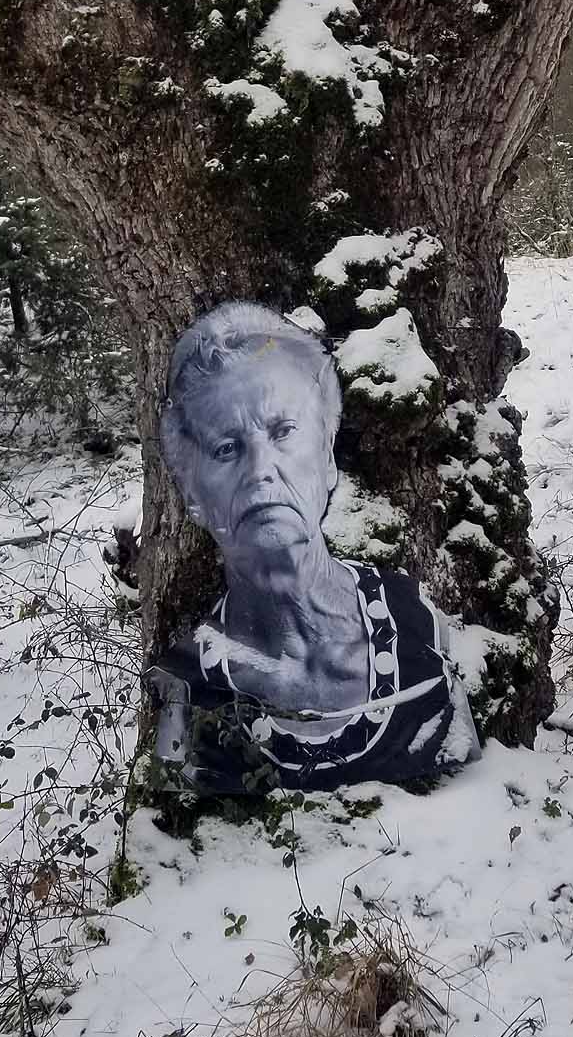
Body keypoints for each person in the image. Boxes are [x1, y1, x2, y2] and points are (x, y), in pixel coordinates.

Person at [148, 301, 480, 796]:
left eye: (283, 432)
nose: (261, 469)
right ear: (193, 495)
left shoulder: (413, 620)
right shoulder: (191, 687)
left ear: (328, 460)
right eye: (226, 448)